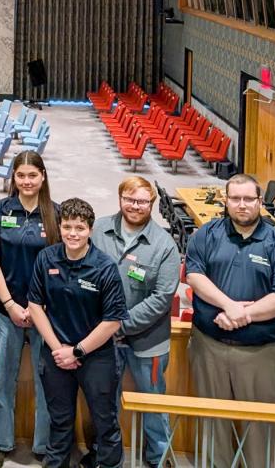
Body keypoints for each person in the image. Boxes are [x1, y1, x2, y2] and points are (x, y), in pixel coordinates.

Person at [185, 174, 275, 468]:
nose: (242, 205)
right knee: (213, 424)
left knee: (259, 428)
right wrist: (230, 306)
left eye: (249, 199)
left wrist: (244, 315)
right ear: (226, 201)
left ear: (260, 202)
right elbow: (194, 276)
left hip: (260, 352)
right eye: (235, 199)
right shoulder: (207, 234)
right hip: (209, 346)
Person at [27, 197, 128, 468]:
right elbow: (35, 305)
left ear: (90, 230)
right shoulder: (46, 258)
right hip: (56, 353)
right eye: (68, 227)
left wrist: (78, 351)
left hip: (96, 356)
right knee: (59, 420)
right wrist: (59, 349)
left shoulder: (104, 267)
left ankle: (108, 464)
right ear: (59, 228)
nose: (73, 233)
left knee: (104, 419)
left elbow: (113, 321)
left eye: (80, 228)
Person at [92, 177, 179, 468]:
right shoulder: (98, 230)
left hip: (148, 342)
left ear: (152, 204)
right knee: (105, 403)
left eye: (142, 201)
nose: (135, 206)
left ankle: (159, 457)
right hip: (102, 339)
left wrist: (118, 325)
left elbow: (161, 297)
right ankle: (107, 456)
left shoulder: (164, 245)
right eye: (129, 199)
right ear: (120, 199)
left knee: (154, 403)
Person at [0, 151, 59, 467]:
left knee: (46, 382)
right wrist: (11, 304)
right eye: (20, 175)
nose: (26, 181)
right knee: (1, 379)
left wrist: (36, 308)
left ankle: (44, 446)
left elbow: (60, 264)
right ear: (13, 178)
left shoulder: (55, 213)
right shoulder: (1, 210)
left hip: (46, 315)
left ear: (42, 177)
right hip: (5, 312)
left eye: (32, 175)